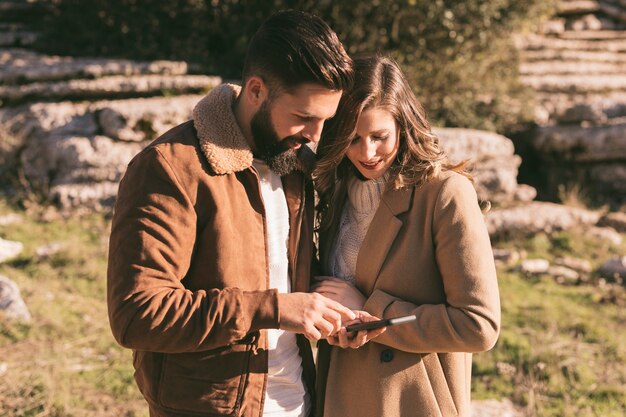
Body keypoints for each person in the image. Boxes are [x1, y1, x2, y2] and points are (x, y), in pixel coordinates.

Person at [107, 10, 357, 417]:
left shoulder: (293, 165)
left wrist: (337, 307)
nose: (314, 135)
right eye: (303, 117)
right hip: (207, 407)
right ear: (256, 90)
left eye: (323, 120)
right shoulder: (170, 168)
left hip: (300, 401)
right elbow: (137, 314)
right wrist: (275, 309)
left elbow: (279, 276)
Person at [311, 55, 501, 417]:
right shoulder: (334, 191)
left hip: (410, 402)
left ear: (404, 123)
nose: (366, 153)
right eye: (351, 139)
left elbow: (479, 325)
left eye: (379, 137)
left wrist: (371, 310)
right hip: (340, 395)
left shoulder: (444, 193)